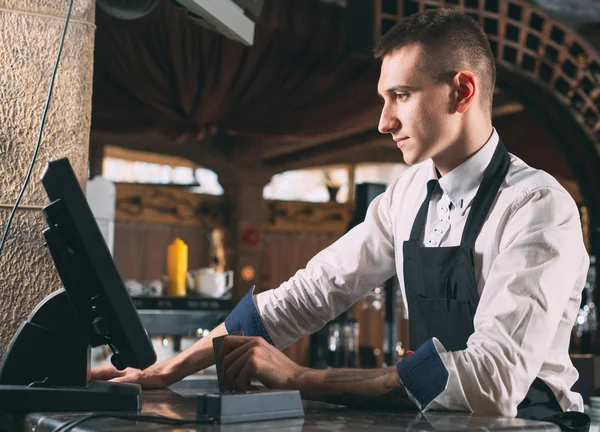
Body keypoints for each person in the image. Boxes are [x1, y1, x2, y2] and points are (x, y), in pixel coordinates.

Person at [93, 8, 590, 421]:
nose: (383, 121)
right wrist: (165, 371)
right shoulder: (408, 194)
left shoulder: (536, 207)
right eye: (383, 98)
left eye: (401, 96)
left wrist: (303, 379)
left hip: (530, 423)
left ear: (462, 91)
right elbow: (310, 293)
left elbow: (490, 382)